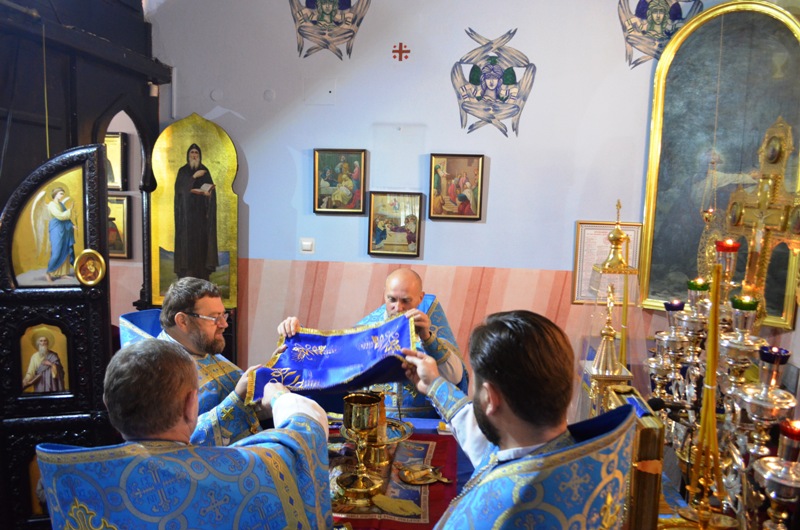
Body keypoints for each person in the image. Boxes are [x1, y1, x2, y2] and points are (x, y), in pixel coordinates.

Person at [36, 338, 332, 529]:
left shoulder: (75, 483)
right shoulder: (245, 471)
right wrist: (280, 398)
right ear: (192, 404)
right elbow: (304, 438)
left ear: (107, 404)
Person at [402, 310, 579, 527]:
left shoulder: (490, 513)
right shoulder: (588, 457)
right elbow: (476, 432)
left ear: (489, 398)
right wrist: (433, 385)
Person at [279, 268, 467, 418]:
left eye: (406, 301)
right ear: (384, 294)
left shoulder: (430, 327)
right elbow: (330, 363)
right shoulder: (367, 330)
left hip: (423, 424)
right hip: (375, 426)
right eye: (392, 299)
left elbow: (455, 376)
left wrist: (427, 338)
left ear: (420, 297)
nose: (398, 307)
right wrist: (298, 336)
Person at [159, 276, 267, 445]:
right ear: (183, 321)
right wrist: (237, 398)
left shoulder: (201, 347)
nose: (224, 324)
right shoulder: (159, 369)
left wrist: (279, 365)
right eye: (214, 318)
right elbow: (178, 443)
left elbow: (251, 408)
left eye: (224, 315)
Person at [173, 143, 218, 281]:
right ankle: (187, 275)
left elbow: (211, 191)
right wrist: (193, 177)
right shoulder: (183, 171)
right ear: (188, 155)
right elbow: (180, 191)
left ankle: (202, 275)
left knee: (201, 244)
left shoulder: (205, 171)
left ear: (200, 156)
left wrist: (208, 195)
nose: (194, 155)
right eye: (192, 153)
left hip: (201, 216)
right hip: (186, 217)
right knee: (188, 245)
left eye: (196, 153)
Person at [45, 186, 76, 282]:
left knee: (65, 249)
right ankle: (48, 273)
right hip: (56, 229)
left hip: (64, 229)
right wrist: (70, 210)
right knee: (57, 251)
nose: (62, 195)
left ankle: (63, 273)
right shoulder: (51, 205)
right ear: (55, 194)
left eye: (63, 194)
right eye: (61, 193)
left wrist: (71, 225)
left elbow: (66, 218)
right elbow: (60, 216)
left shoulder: (61, 204)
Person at [22, 327, 66, 393]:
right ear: (38, 343)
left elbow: (60, 371)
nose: (43, 342)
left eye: (45, 341)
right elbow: (30, 372)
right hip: (40, 383)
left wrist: (51, 364)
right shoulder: (34, 356)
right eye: (41, 341)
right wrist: (26, 380)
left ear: (48, 342)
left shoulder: (53, 355)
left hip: (52, 383)